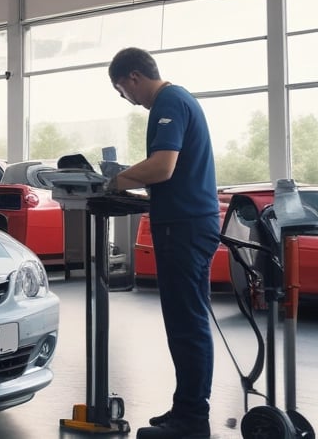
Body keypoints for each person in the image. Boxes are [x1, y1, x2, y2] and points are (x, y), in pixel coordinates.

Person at [105, 47, 219, 439]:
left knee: (187, 325)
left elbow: (162, 166)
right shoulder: (179, 99)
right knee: (187, 322)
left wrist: (115, 181)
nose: (127, 98)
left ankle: (191, 421)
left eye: (123, 90)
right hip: (189, 223)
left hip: (184, 227)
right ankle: (186, 408)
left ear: (133, 77)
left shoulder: (168, 101)